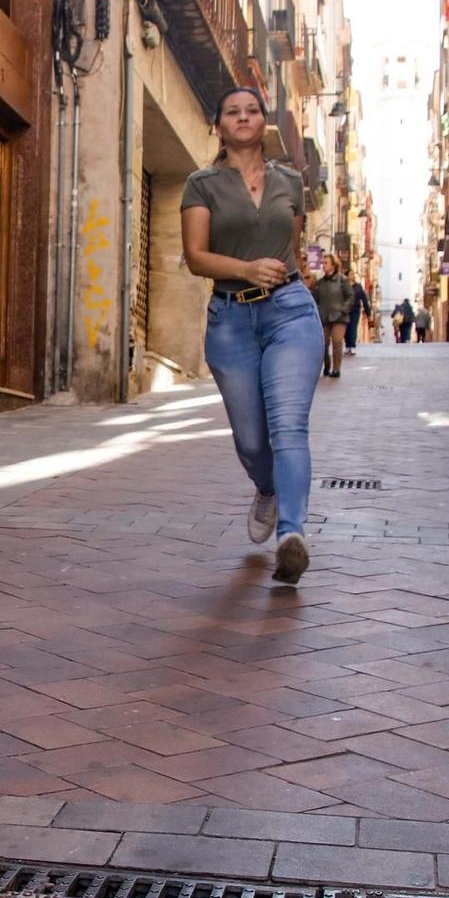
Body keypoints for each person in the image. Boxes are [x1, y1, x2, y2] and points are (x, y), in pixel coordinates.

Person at [179, 87, 324, 585]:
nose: (244, 117)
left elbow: (293, 248)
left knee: (288, 426)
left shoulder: (289, 181)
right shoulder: (202, 184)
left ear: (264, 122)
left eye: (252, 111)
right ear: (218, 126)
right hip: (231, 318)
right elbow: (196, 256)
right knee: (251, 439)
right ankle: (266, 487)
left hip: (290, 314)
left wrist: (294, 283)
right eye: (232, 112)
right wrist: (245, 267)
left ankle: (292, 534)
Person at [313, 254, 352, 379]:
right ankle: (327, 365)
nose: (323, 265)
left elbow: (350, 296)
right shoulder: (320, 283)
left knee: (337, 341)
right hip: (324, 316)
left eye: (326, 263)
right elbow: (315, 299)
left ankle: (336, 369)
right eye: (323, 262)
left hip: (339, 316)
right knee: (323, 343)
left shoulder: (342, 280)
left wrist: (343, 308)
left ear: (333, 265)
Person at [345, 277, 369, 354]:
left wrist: (368, 311)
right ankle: (348, 346)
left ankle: (352, 346)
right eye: (350, 274)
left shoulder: (358, 286)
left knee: (353, 328)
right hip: (345, 310)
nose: (352, 276)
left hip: (355, 310)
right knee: (346, 329)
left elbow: (364, 298)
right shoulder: (343, 286)